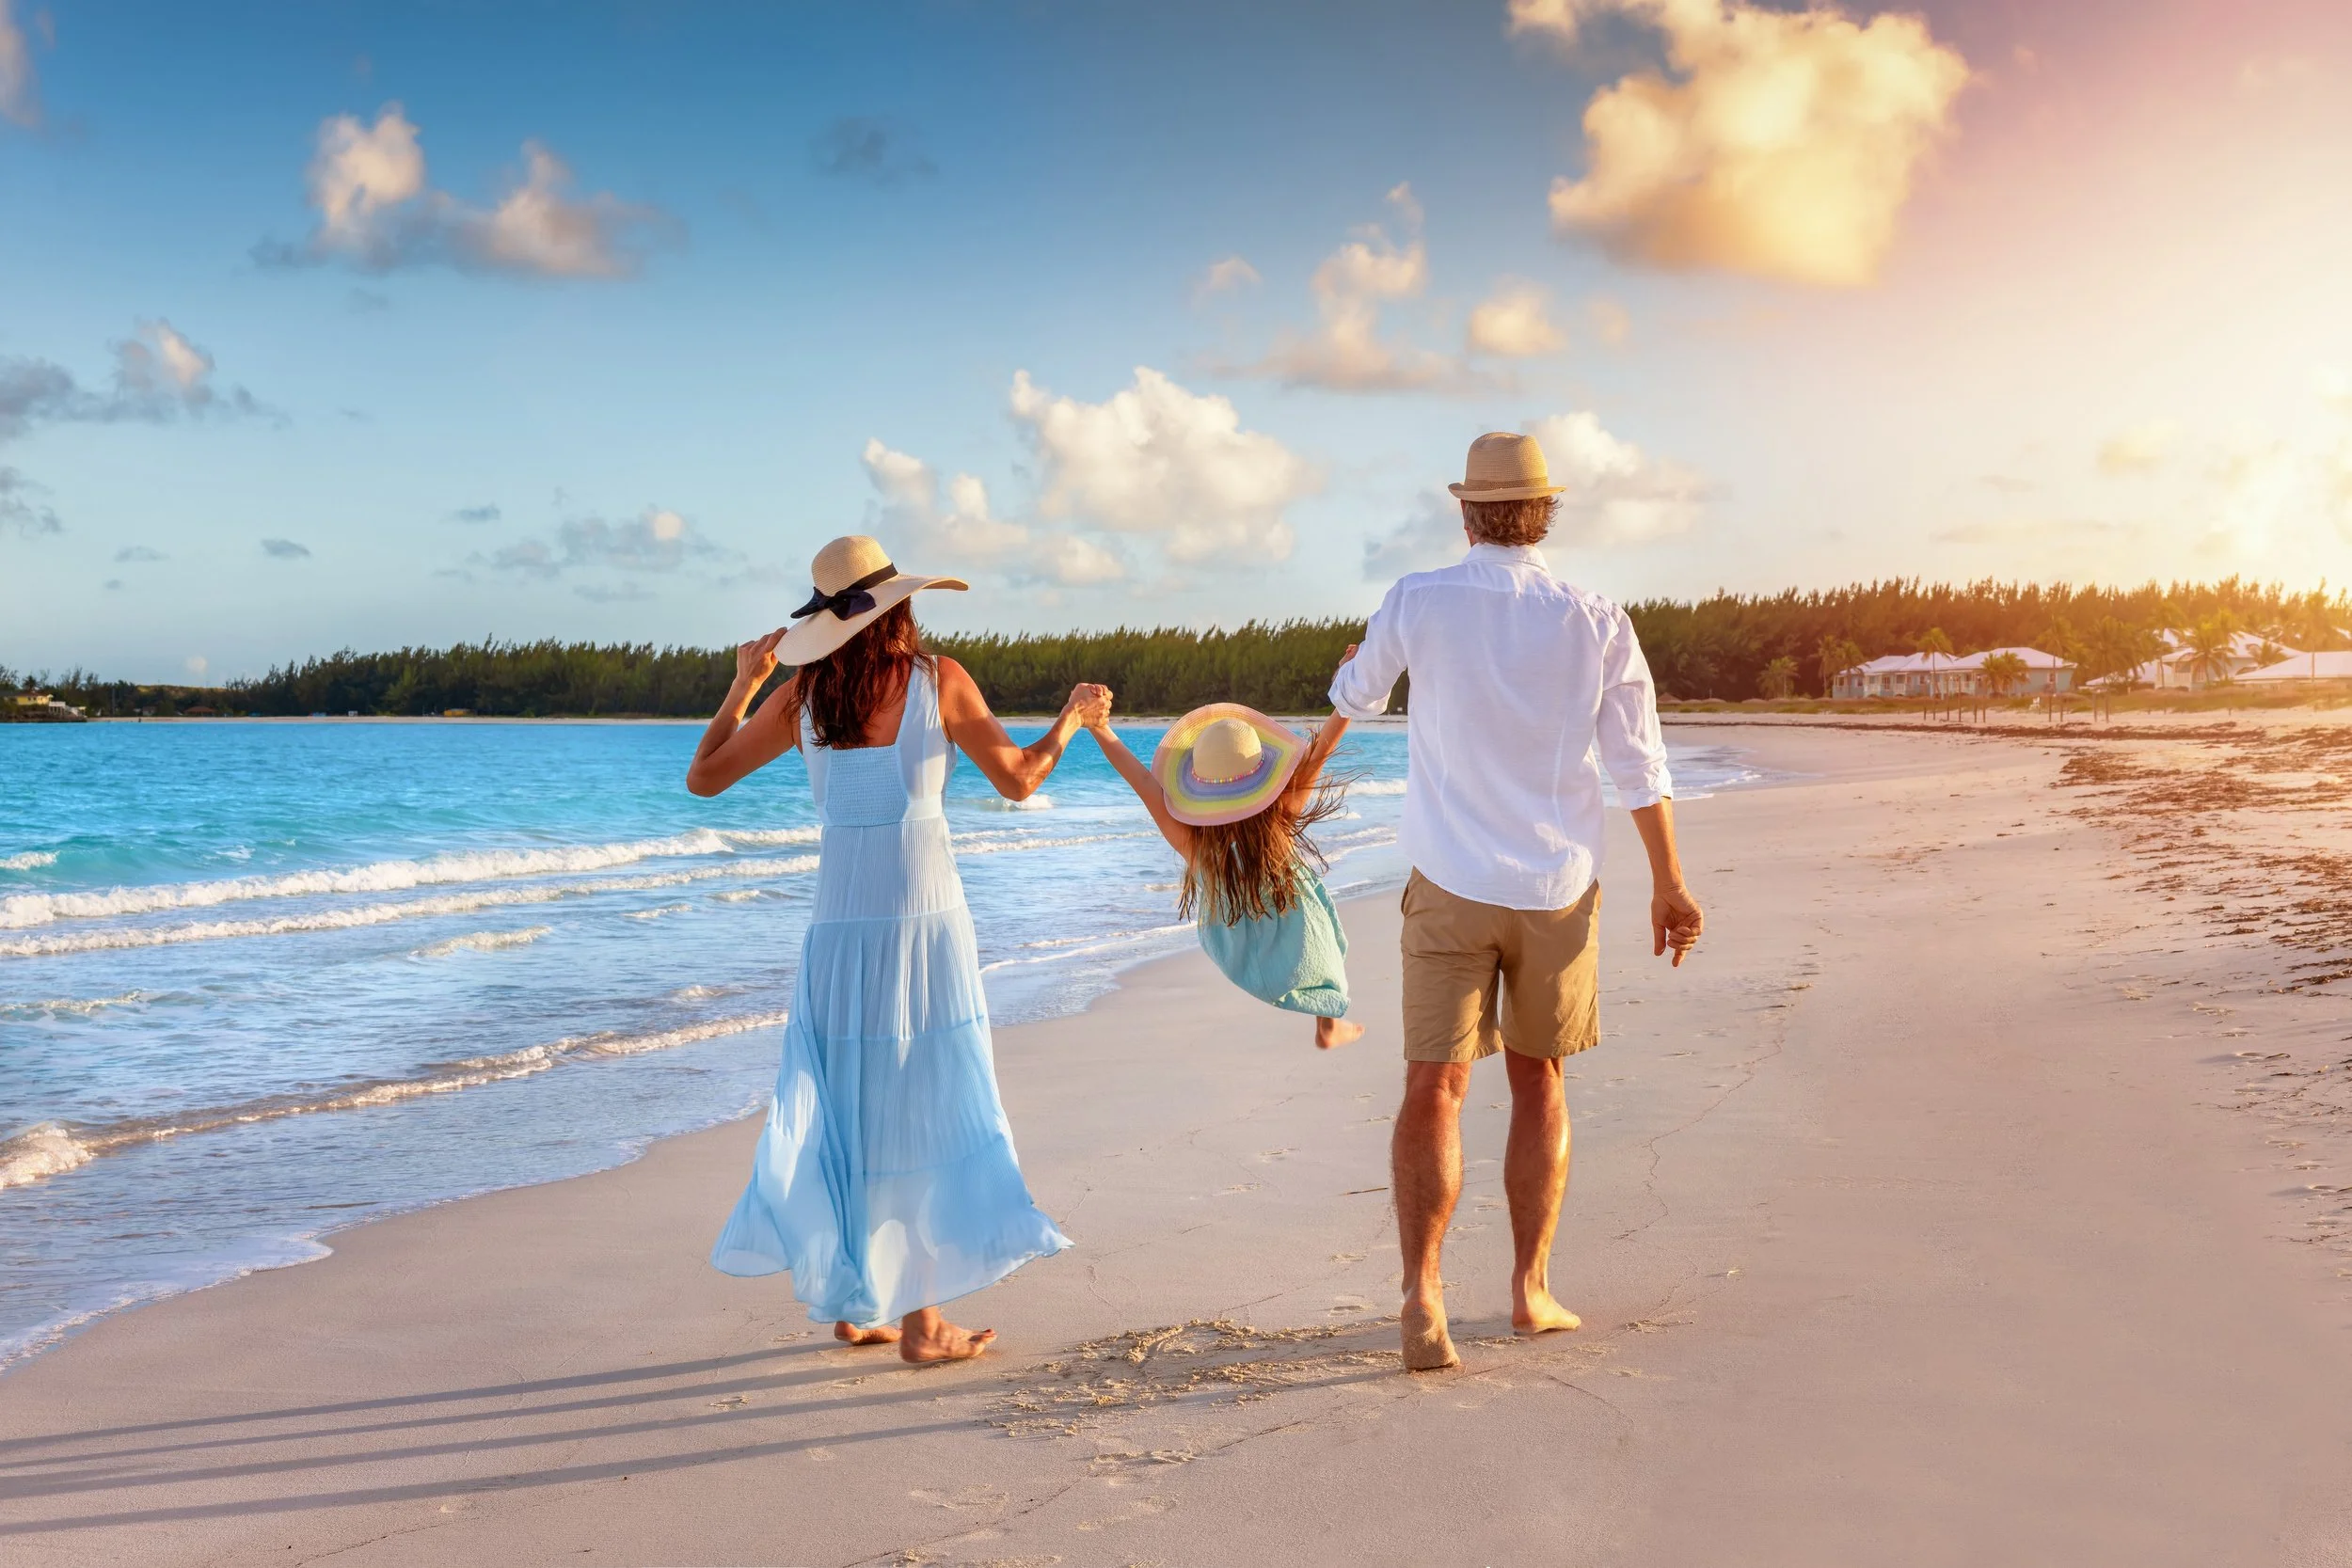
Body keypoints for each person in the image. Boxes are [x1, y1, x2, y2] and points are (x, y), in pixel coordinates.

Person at [1328, 432, 1705, 1373]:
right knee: (1539, 1079)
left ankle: (1422, 1293)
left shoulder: (1418, 597)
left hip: (1450, 879)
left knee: (1433, 1084)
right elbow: (1635, 759)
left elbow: (1355, 695)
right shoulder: (1593, 615)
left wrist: (1352, 666)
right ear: (1544, 514)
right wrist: (1669, 879)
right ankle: (1529, 1289)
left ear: (1467, 512)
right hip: (1556, 886)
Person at [686, 534, 1109, 1363]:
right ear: (899, 606)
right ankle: (922, 1323)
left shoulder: (802, 698)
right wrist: (1074, 719)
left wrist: (743, 683)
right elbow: (1020, 780)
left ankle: (859, 1304)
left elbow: (703, 777)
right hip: (924, 925)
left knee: (853, 1109)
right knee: (923, 1107)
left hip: (841, 929)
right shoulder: (937, 681)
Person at [1085, 701, 1365, 1051]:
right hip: (1296, 927)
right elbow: (1319, 753)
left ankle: (1328, 1023)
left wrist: (1099, 727)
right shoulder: (1280, 820)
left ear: (1198, 784)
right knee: (1328, 954)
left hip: (1236, 944)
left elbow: (1140, 779)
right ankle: (1328, 1023)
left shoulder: (1195, 843)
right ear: (1265, 777)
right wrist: (1350, 696)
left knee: (1327, 951)